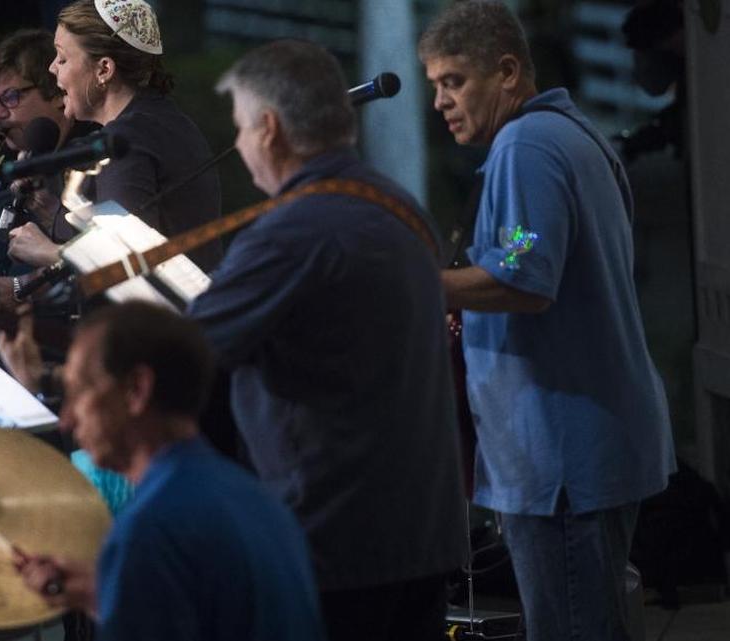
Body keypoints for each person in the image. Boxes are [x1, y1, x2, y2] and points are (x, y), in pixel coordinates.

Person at [183, 39, 468, 641]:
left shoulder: (289, 232)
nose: (238, 147)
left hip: (333, 546)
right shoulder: (400, 207)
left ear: (268, 129)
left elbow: (184, 353)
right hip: (423, 535)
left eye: (238, 129)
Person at [418, 3, 676, 640]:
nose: (440, 103)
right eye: (435, 86)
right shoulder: (573, 133)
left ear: (507, 72)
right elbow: (523, 256)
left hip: (564, 457)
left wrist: (416, 286)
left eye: (454, 82)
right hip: (586, 445)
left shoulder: (526, 145)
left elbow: (523, 276)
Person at [13, 301, 325, 641]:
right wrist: (107, 596)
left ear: (136, 389)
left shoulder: (149, 532)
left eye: (79, 391)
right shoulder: (256, 497)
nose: (67, 419)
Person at [8, 0, 223, 273]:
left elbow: (130, 265)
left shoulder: (127, 140)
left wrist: (51, 253)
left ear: (104, 70)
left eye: (62, 58)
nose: (52, 68)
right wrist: (48, 208)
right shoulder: (163, 121)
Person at [0, 28, 98, 278]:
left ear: (56, 93)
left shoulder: (94, 161)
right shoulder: (5, 167)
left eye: (10, 97)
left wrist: (19, 289)